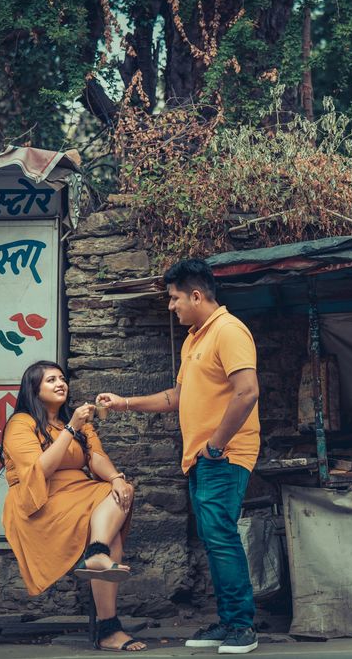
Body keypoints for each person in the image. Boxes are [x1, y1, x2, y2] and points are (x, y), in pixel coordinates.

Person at [97, 259, 261, 655]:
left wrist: (217, 445)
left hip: (224, 455)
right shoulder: (194, 339)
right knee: (214, 538)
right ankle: (227, 623)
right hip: (204, 459)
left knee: (220, 536)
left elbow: (247, 392)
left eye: (174, 299)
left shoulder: (229, 330)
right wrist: (125, 403)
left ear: (196, 295)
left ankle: (242, 627)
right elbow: (178, 396)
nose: (171, 306)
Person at [1, 361, 147, 652]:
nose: (60, 383)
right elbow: (40, 470)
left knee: (120, 493)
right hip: (40, 500)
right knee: (111, 533)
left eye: (62, 378)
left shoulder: (79, 423)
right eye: (50, 380)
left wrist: (117, 478)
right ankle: (109, 628)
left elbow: (96, 458)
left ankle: (96, 554)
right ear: (34, 389)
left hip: (79, 492)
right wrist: (71, 428)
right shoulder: (21, 422)